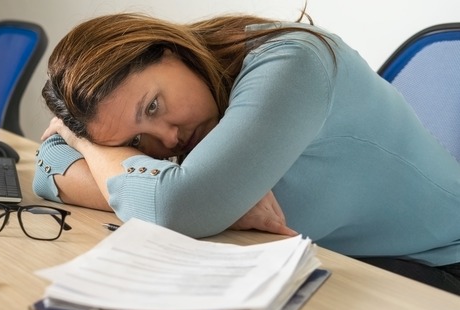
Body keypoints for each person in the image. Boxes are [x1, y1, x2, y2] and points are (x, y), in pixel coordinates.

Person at [32, 11, 460, 294]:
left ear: (169, 50)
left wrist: (86, 146)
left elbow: (175, 207)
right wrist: (206, 201)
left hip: (432, 272)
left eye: (154, 106)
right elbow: (47, 169)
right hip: (337, 265)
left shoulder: (294, 62)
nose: (166, 138)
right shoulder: (199, 111)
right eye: (135, 142)